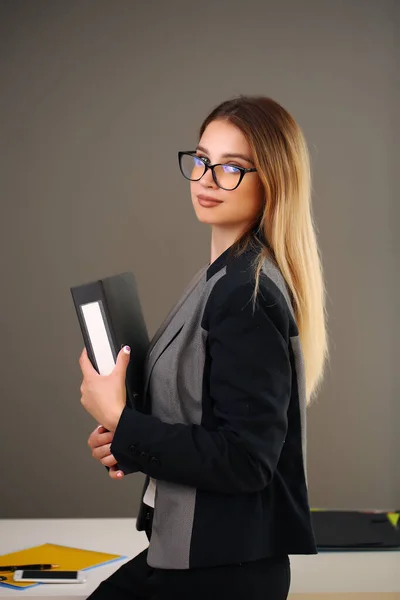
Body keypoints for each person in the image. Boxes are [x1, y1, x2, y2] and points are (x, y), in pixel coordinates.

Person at [79, 95, 329, 600]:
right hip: (192, 556)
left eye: (232, 168)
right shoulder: (224, 275)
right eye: (201, 160)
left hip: (221, 573)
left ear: (273, 180)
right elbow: (204, 421)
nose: (207, 179)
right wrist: (128, 441)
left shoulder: (245, 292)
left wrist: (124, 421)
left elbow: (246, 461)